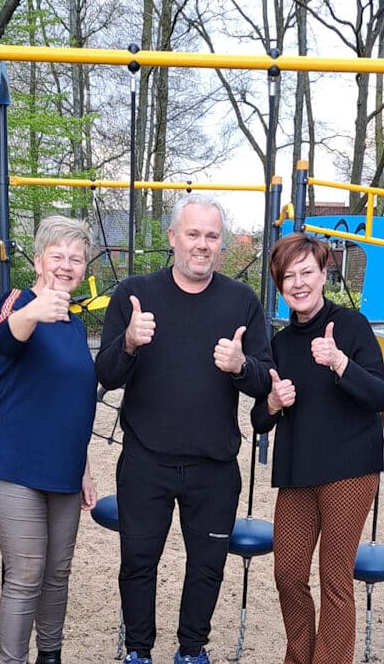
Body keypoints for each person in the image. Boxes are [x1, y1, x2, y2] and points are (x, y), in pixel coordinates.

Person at [95, 193, 273, 664]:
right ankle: (138, 651)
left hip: (213, 465)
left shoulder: (242, 301)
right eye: (193, 234)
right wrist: (130, 343)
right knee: (137, 563)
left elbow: (265, 382)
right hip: (145, 460)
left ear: (221, 246)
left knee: (207, 567)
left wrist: (240, 366)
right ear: (173, 238)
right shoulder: (136, 295)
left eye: (211, 236)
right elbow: (106, 376)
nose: (202, 245)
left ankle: (192, 650)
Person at [250, 232, 384, 664]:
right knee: (288, 574)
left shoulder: (350, 326)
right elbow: (259, 421)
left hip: (349, 469)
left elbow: (379, 396)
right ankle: (299, 656)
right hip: (297, 472)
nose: (298, 283)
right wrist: (273, 403)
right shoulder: (279, 344)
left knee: (334, 576)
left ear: (324, 273)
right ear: (279, 286)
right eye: (288, 276)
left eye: (306, 272)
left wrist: (340, 362)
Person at [0, 215, 98, 664]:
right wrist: (33, 311)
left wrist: (83, 466)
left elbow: (73, 400)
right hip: (11, 464)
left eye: (76, 258)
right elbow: (7, 338)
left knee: (56, 574)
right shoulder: (18, 301)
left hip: (63, 467)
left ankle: (50, 656)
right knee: (26, 572)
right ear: (40, 259)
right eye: (58, 256)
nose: (66, 265)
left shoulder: (75, 325)